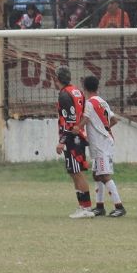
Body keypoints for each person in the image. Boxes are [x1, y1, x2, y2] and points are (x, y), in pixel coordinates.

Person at [73, 76, 125, 217]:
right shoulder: (102, 101)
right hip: (103, 142)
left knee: (104, 175)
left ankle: (119, 207)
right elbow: (114, 120)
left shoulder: (89, 103)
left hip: (101, 145)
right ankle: (100, 206)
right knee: (96, 175)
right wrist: (104, 130)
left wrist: (77, 128)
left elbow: (85, 119)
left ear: (84, 88)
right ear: (97, 87)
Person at [53, 67, 94, 218]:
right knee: (74, 172)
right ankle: (82, 206)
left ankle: (86, 208)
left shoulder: (64, 94)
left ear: (57, 79)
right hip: (77, 135)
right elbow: (81, 113)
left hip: (72, 138)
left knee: (77, 173)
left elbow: (69, 121)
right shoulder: (77, 91)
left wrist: (62, 141)